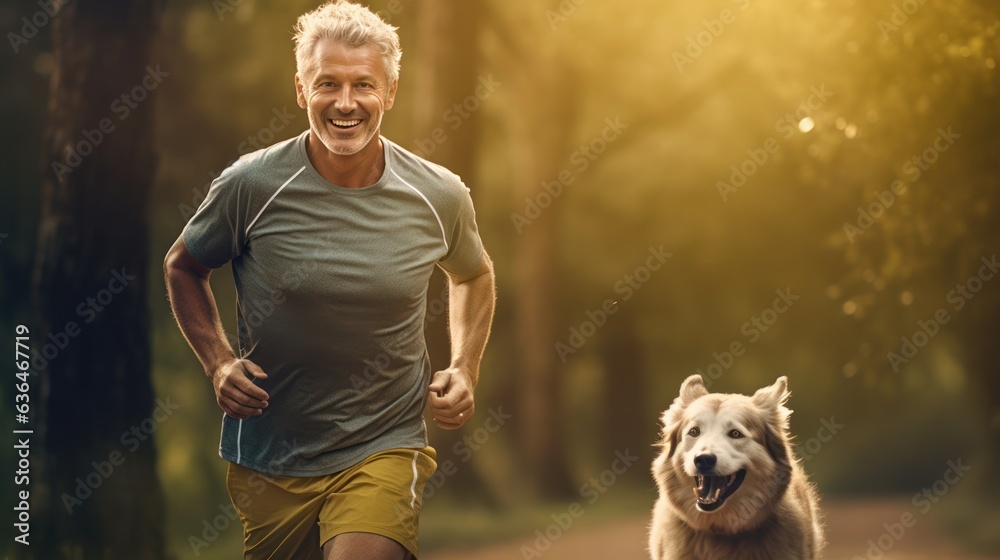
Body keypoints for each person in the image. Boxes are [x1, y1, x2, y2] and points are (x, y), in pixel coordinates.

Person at [163, 2, 495, 558]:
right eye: (328, 84)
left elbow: (473, 274)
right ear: (301, 90)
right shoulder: (251, 184)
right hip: (272, 452)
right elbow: (184, 265)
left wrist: (464, 366)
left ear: (389, 92)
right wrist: (218, 360)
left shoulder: (438, 195)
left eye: (363, 84)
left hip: (385, 442)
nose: (346, 103)